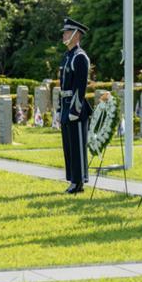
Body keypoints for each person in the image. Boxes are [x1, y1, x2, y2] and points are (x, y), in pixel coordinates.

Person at [59, 17, 92, 194]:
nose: (64, 35)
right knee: (69, 146)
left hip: (76, 108)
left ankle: (79, 182)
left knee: (78, 146)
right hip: (66, 105)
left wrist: (74, 109)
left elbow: (80, 87)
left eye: (67, 32)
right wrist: (60, 109)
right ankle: (73, 179)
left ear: (76, 35)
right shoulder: (67, 56)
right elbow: (62, 85)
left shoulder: (80, 57)